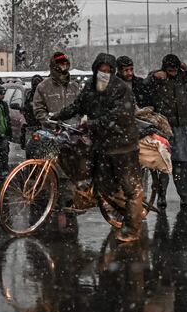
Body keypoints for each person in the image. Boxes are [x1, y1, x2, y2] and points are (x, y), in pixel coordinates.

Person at [53, 53, 145, 242]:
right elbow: (78, 105)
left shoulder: (120, 88)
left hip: (123, 146)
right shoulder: (91, 87)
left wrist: (92, 124)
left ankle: (132, 229)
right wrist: (58, 116)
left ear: (112, 71)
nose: (104, 73)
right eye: (100, 70)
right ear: (95, 69)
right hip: (102, 146)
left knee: (130, 188)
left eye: (107, 70)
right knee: (105, 187)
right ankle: (131, 212)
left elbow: (119, 115)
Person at [144, 54, 187, 207]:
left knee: (182, 162)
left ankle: (185, 196)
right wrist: (153, 77)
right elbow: (143, 88)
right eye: (170, 70)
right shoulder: (158, 78)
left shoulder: (183, 77)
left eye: (176, 70)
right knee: (163, 161)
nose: (173, 73)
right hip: (162, 126)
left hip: (181, 126)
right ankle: (161, 195)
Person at [33, 51, 81, 126]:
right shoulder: (43, 87)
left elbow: (80, 106)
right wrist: (50, 121)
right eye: (61, 64)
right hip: (51, 133)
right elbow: (38, 109)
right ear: (55, 65)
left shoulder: (74, 86)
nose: (64, 66)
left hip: (73, 131)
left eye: (66, 64)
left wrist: (75, 122)